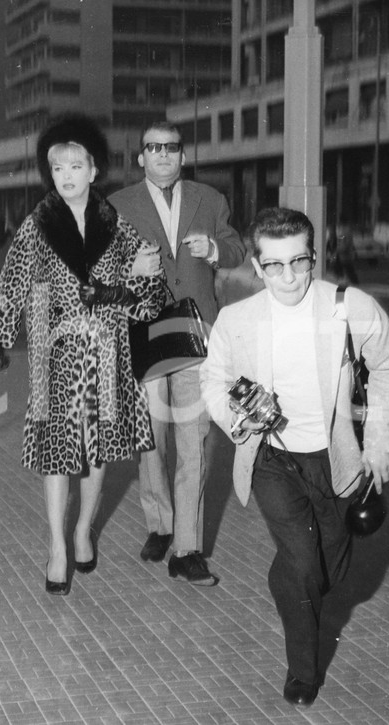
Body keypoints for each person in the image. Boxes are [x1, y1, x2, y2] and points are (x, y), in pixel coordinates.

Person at [199, 207, 389, 707]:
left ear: (315, 256)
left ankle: (286, 576)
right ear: (256, 264)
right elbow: (215, 379)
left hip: (337, 458)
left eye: (299, 261)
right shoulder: (237, 319)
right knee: (302, 559)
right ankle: (304, 670)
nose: (288, 276)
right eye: (274, 265)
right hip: (272, 458)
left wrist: (380, 443)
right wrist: (239, 416)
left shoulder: (349, 307)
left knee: (325, 569)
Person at [0, 114, 165, 596]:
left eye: (75, 165)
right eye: (57, 167)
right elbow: (13, 277)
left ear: (94, 170)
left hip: (105, 348)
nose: (66, 175)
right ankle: (58, 546)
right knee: (57, 452)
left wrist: (142, 272)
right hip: (53, 351)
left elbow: (147, 301)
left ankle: (84, 528)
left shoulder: (116, 227)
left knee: (99, 446)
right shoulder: (37, 223)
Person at [109, 120, 245, 585]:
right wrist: (130, 266)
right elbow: (100, 269)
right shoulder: (118, 205)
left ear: (183, 156)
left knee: (194, 438)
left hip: (195, 331)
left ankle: (187, 548)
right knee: (151, 436)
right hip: (143, 330)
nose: (163, 155)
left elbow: (236, 247)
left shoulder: (211, 200)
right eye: (153, 148)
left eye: (171, 147)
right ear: (141, 157)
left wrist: (213, 249)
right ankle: (160, 523)